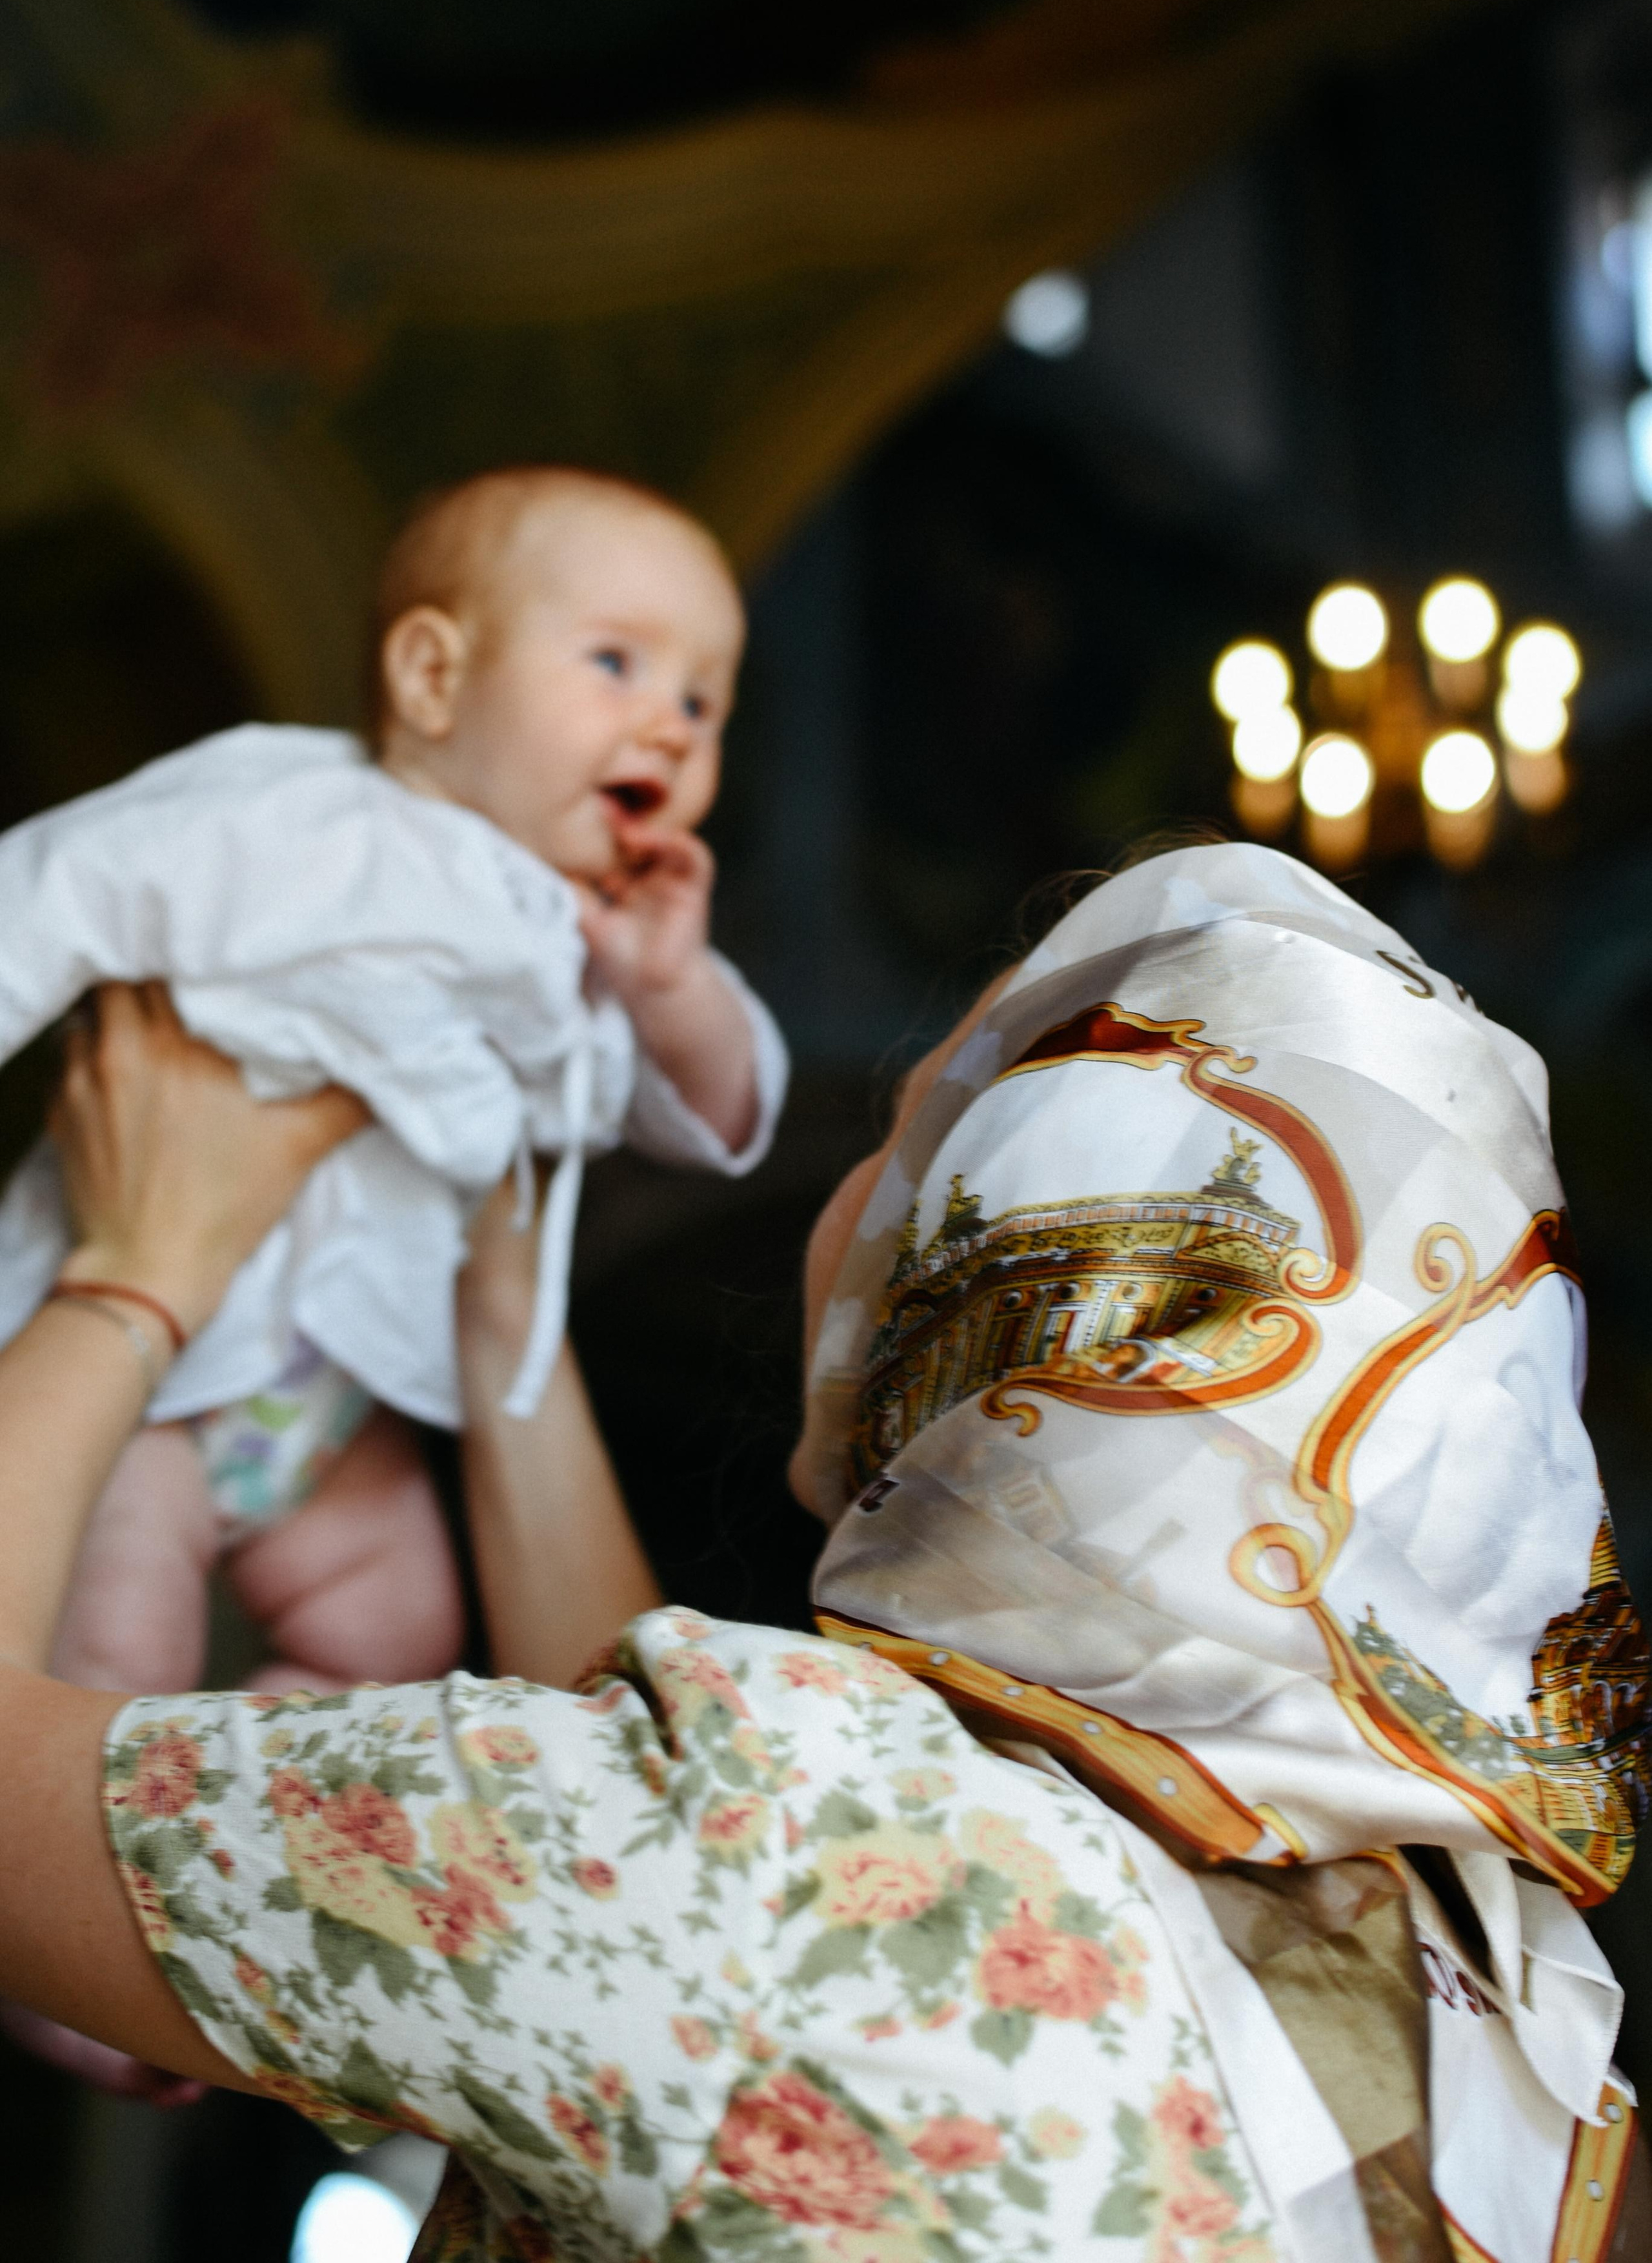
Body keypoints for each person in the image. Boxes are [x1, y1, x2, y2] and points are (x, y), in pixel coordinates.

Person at [0, 847, 1647, 2262]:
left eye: (919, 1118)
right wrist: (501, 1309)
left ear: (996, 1250)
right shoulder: (1538, 2056)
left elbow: (696, 1890)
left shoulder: (769, 1848)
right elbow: (683, 1926)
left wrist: (131, 1274)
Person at [0, 465, 787, 1708]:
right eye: (616, 665)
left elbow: (720, 1120)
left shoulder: (595, 931)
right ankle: (101, 1826)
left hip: (347, 1386)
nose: (673, 724)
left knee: (401, 1638)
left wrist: (671, 987)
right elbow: (63, 887)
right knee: (116, 1658)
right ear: (432, 678)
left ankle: (246, 1786)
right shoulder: (295, 807)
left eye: (705, 697)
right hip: (155, 1363)